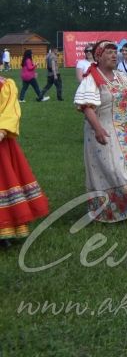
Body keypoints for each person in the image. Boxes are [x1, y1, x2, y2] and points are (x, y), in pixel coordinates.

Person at [74, 40, 127, 222]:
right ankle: (112, 209)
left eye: (115, 52)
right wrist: (98, 130)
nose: (114, 55)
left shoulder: (121, 76)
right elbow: (86, 107)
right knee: (114, 169)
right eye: (109, 52)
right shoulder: (91, 79)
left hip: (126, 132)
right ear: (99, 56)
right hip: (105, 130)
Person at [0, 75, 49, 244]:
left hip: (1, 145)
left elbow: (10, 110)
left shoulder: (5, 85)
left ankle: (5, 227)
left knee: (3, 182)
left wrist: (2, 131)